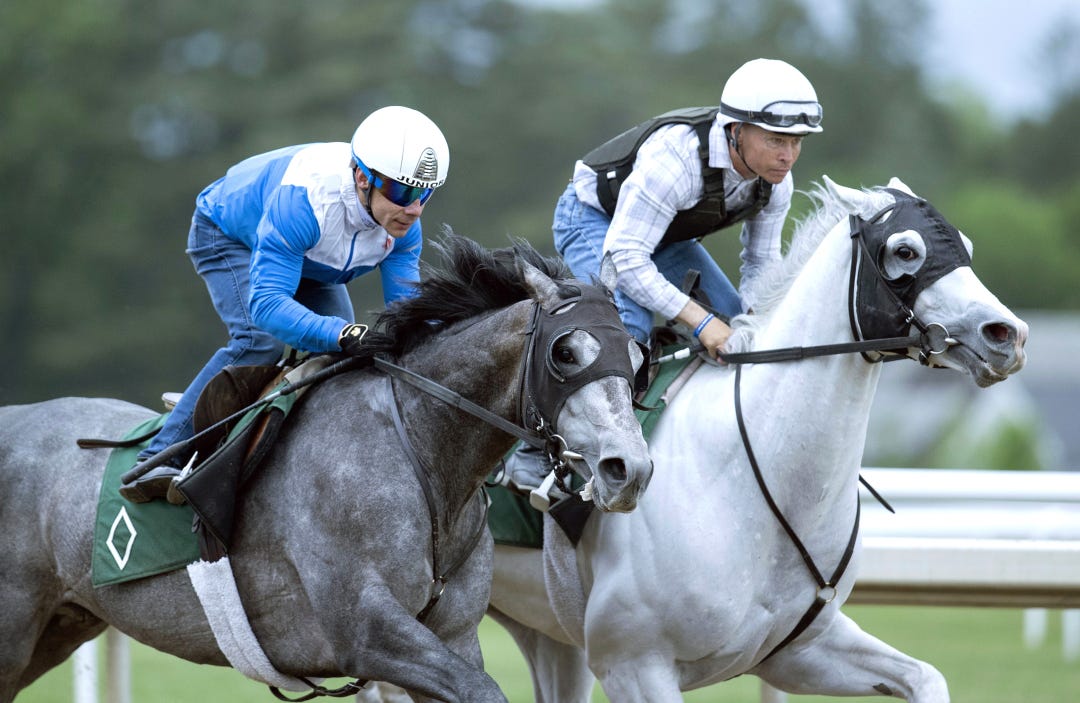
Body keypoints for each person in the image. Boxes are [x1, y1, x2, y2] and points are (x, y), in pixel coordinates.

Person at [502, 58, 823, 496]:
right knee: (623, 333)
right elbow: (626, 257)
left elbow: (761, 265)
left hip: (660, 240)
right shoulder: (677, 160)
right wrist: (702, 323)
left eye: (796, 142)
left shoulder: (776, 183)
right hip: (593, 221)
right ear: (736, 131)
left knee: (743, 331)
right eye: (776, 140)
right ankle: (530, 455)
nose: (788, 156)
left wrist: (748, 324)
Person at [120, 105, 450, 503]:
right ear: (363, 178)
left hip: (307, 258)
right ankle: (160, 456)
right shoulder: (304, 202)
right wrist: (343, 332)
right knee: (260, 340)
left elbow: (408, 312)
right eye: (403, 192)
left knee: (338, 359)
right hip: (230, 236)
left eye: (425, 194)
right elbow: (267, 305)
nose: (415, 209)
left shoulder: (403, 226)